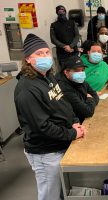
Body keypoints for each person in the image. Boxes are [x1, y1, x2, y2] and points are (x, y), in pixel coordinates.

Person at [14, 34, 86, 200]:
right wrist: (72, 133)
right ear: (28, 59)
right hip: (46, 152)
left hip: (59, 144)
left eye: (46, 52)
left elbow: (63, 104)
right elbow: (42, 127)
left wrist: (74, 122)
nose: (45, 56)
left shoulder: (47, 76)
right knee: (50, 195)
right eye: (39, 53)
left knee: (60, 191)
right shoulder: (27, 89)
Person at [56, 56, 99, 124]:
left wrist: (88, 103)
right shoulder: (63, 88)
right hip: (74, 124)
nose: (81, 73)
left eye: (82, 70)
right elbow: (88, 112)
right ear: (66, 72)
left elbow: (95, 95)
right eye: (76, 70)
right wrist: (90, 99)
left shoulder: (79, 80)